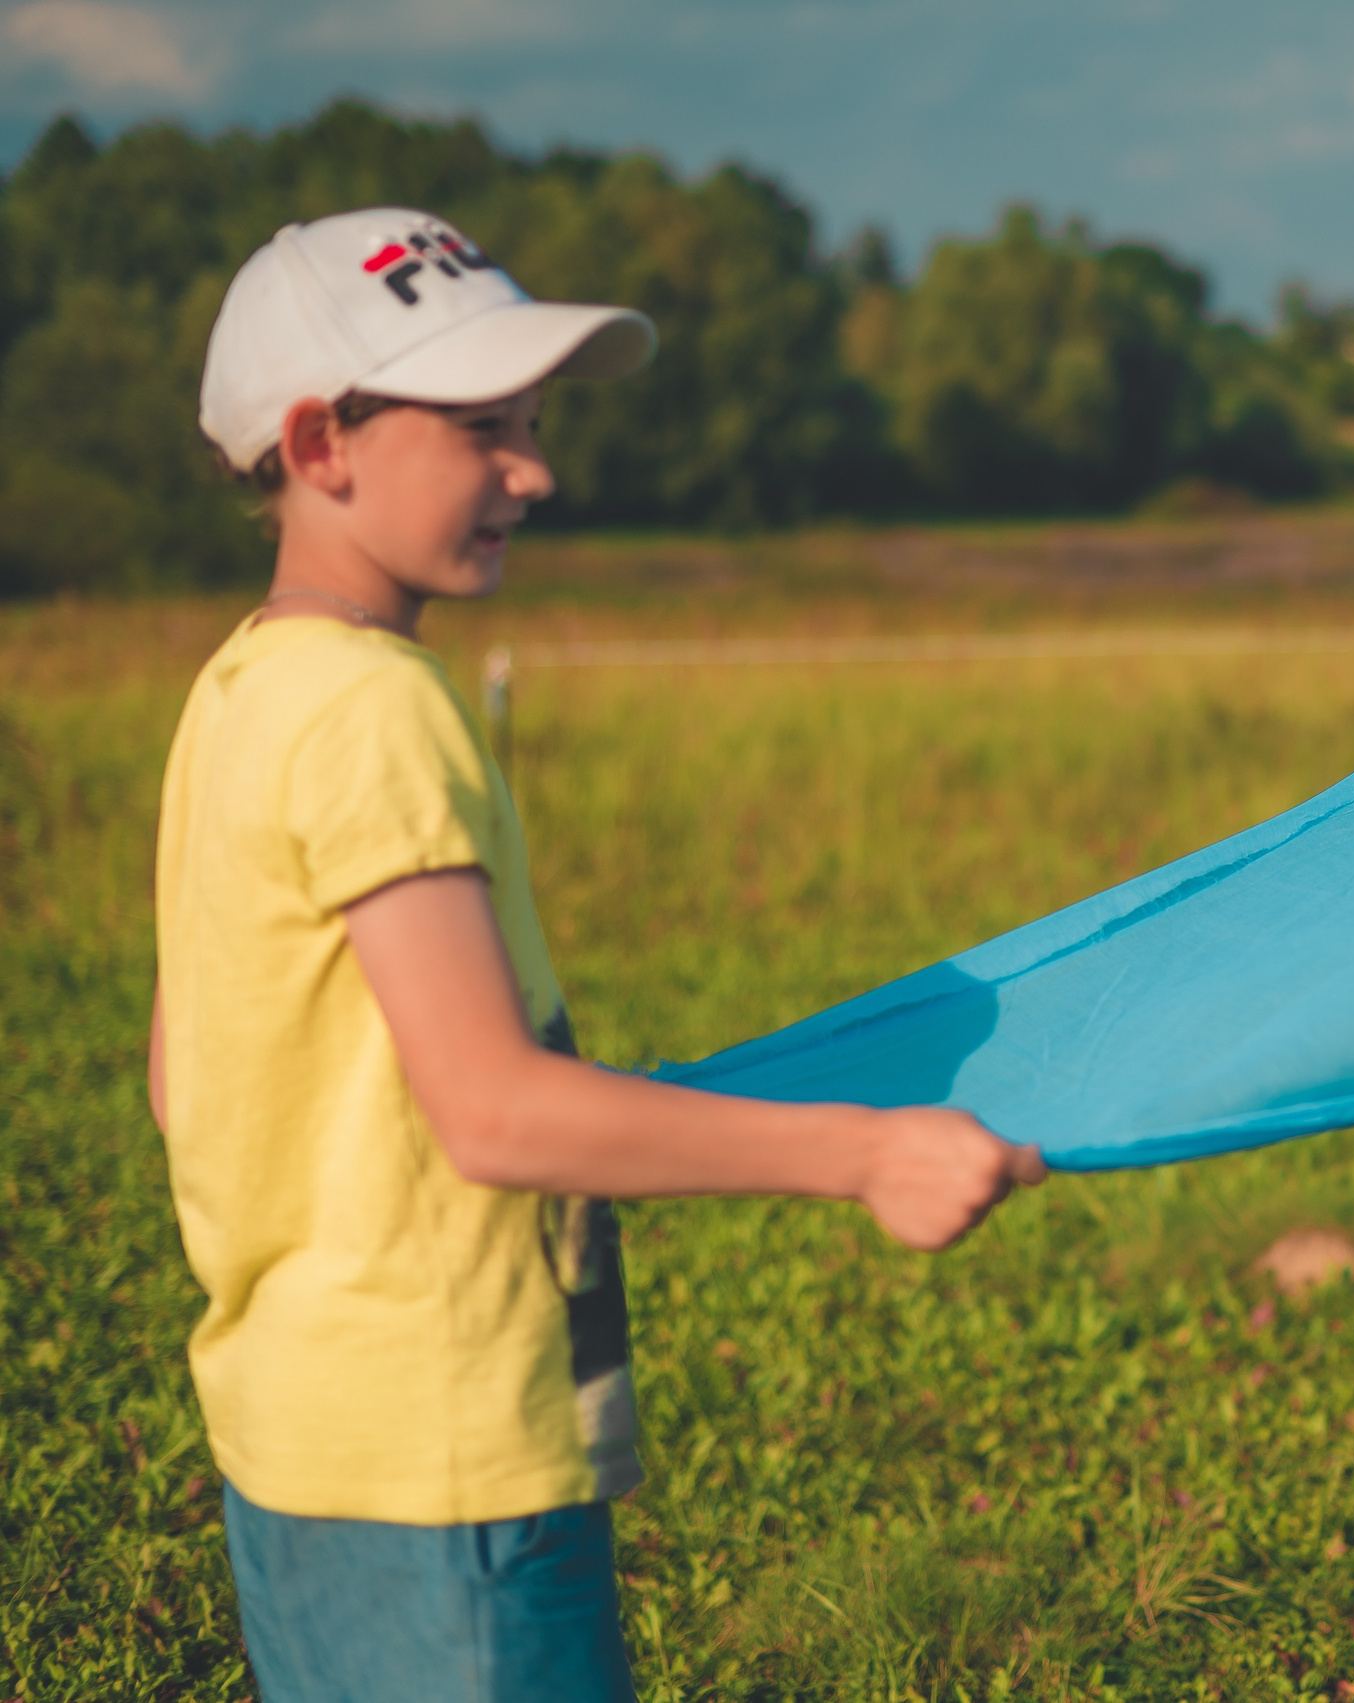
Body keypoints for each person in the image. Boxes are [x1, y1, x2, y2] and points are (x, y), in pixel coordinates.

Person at [150, 208, 1045, 1703]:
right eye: (483, 429)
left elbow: (190, 1077)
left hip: (292, 1441)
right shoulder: (379, 709)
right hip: (449, 1473)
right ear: (323, 444)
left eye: (534, 425)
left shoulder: (240, 690)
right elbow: (492, 1113)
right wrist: (870, 1155)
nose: (535, 472)